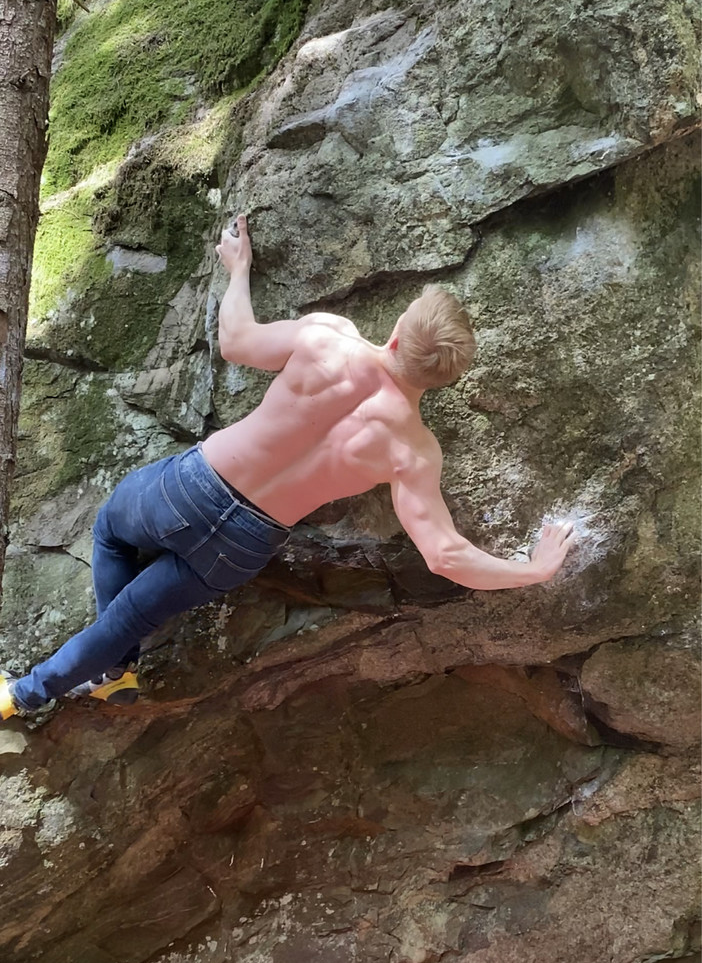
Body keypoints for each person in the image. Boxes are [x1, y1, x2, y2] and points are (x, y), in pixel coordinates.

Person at [0, 217, 574, 720]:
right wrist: (534, 570)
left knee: (110, 530)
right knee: (129, 617)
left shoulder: (330, 339)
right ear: (442, 378)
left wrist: (238, 270)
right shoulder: (414, 451)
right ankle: (41, 691)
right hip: (246, 545)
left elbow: (236, 341)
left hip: (193, 487)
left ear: (398, 331)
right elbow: (445, 556)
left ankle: (100, 668)